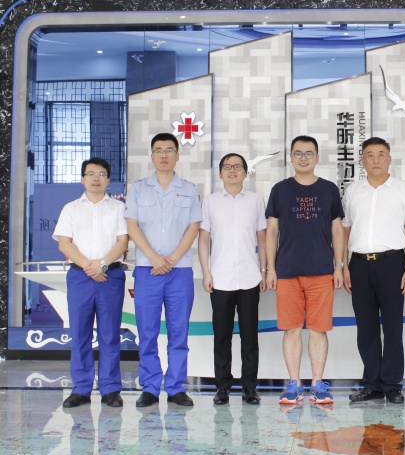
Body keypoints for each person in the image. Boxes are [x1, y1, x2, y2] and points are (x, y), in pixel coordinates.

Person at [342, 137, 405, 404]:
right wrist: (342, 266)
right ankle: (372, 384)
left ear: (389, 159)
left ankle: (392, 384)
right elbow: (345, 231)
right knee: (365, 328)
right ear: (362, 160)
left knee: (392, 327)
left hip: (392, 264)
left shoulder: (402, 190)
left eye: (381, 154)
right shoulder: (353, 191)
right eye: (370, 155)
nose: (375, 159)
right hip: (359, 265)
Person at [266, 135, 344, 405]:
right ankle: (294, 385)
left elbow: (337, 230)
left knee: (318, 330)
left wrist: (339, 266)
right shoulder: (280, 190)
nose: (303, 158)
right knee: (291, 329)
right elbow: (272, 231)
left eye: (309, 153)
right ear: (291, 157)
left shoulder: (329, 189)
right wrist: (270, 269)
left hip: (321, 271)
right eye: (298, 153)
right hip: (287, 272)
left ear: (317, 157)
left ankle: (318, 384)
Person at [125, 133, 202, 407]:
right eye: (159, 150)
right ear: (152, 156)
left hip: (179, 271)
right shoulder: (138, 189)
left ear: (178, 155)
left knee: (178, 333)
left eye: (169, 150)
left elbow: (194, 227)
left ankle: (176, 387)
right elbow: (132, 226)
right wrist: (154, 258)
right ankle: (150, 387)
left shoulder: (189, 189)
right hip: (147, 270)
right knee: (147, 332)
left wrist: (171, 258)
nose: (164, 155)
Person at [54, 157, 128, 408]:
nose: (96, 179)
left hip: (110, 276)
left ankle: (110, 389)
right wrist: (89, 266)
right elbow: (64, 243)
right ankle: (81, 388)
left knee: (110, 335)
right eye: (91, 174)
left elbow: (122, 242)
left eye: (102, 174)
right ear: (82, 178)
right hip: (80, 277)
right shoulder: (71, 208)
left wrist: (102, 264)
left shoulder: (119, 208)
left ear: (108, 179)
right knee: (80, 334)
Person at [199, 153, 267, 406]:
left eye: (237, 167)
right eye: (227, 167)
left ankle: (250, 388)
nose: (232, 171)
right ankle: (222, 387)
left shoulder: (256, 201)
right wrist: (206, 272)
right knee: (222, 337)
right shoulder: (210, 202)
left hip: (249, 277)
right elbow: (203, 239)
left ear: (245, 173)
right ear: (220, 173)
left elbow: (262, 238)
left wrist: (264, 271)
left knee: (250, 337)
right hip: (220, 278)